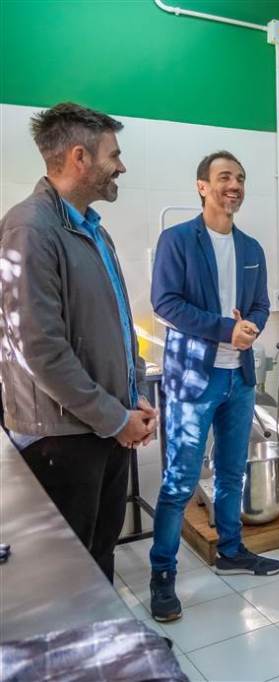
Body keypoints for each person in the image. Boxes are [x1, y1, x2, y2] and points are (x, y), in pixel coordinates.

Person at [0, 102, 156, 583]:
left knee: (100, 557)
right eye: (114, 154)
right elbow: (40, 350)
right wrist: (116, 418)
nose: (121, 166)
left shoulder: (93, 231)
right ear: (79, 158)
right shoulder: (31, 228)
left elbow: (118, 323)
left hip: (103, 429)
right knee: (68, 579)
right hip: (61, 441)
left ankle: (107, 635)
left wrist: (133, 398)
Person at [149, 150, 279, 622]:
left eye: (240, 178)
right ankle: (162, 573)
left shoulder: (252, 249)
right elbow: (165, 303)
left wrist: (252, 328)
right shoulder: (177, 240)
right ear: (202, 186)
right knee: (180, 481)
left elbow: (260, 304)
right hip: (193, 378)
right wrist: (227, 329)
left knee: (231, 472)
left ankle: (231, 549)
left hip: (238, 378)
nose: (235, 185)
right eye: (225, 177)